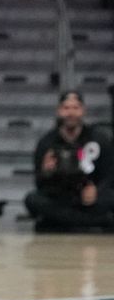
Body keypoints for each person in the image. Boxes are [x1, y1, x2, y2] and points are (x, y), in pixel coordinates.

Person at [26, 89, 114, 231]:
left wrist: (96, 190)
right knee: (32, 200)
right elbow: (39, 184)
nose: (71, 113)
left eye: (75, 108)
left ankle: (61, 222)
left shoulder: (99, 138)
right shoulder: (46, 143)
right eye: (66, 108)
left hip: (91, 198)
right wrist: (46, 172)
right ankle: (96, 222)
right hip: (60, 198)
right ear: (59, 111)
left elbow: (109, 175)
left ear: (83, 110)